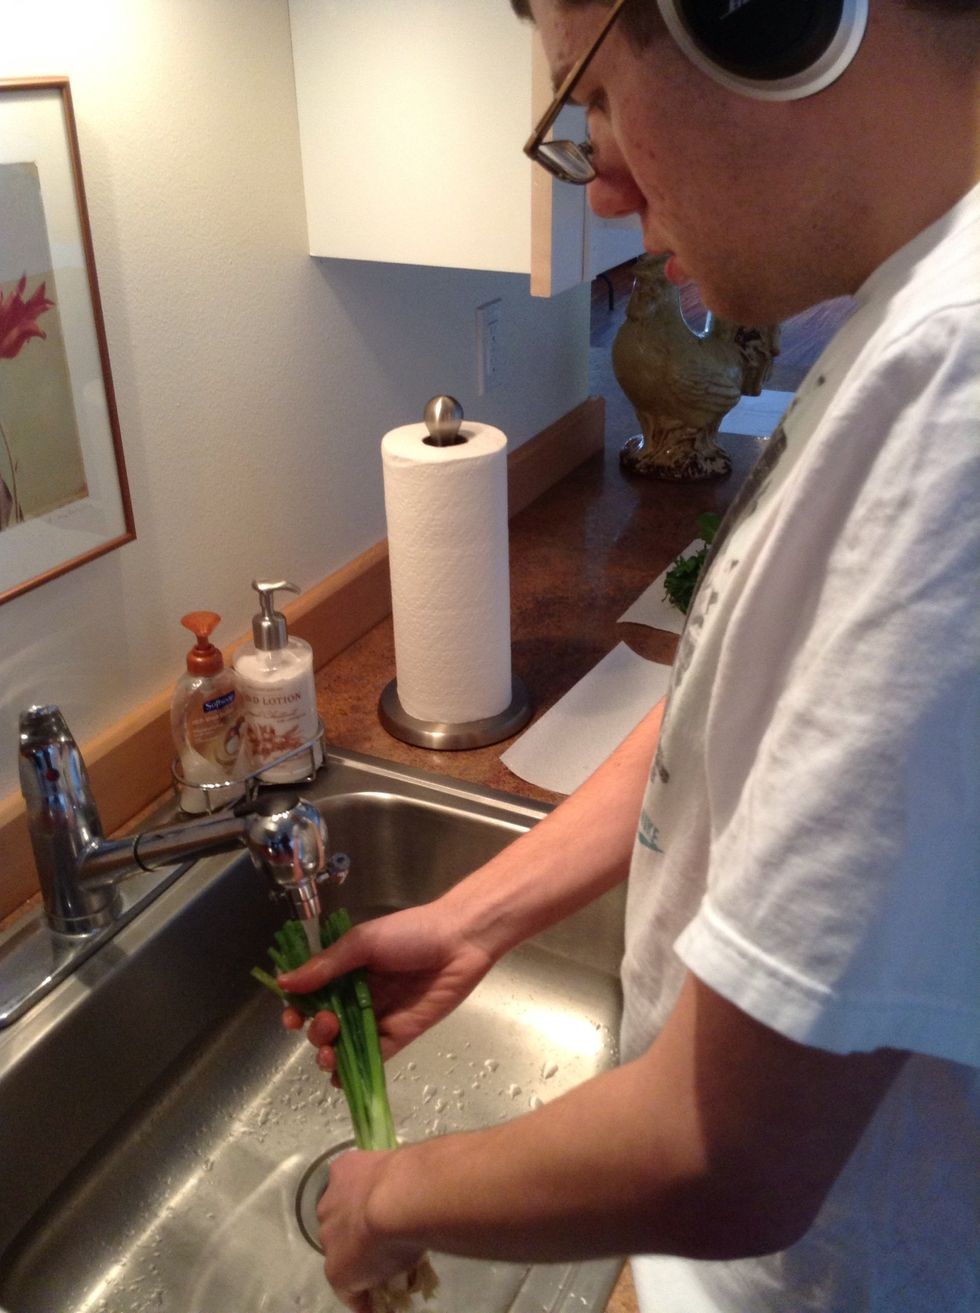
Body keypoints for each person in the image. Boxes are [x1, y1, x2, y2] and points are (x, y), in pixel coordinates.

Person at [278, 2, 980, 1309]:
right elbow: (757, 725)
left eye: (588, 92)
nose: (598, 185)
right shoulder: (915, 318)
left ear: (764, 13)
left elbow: (728, 1149)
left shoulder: (958, 387)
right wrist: (477, 911)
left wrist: (388, 1194)